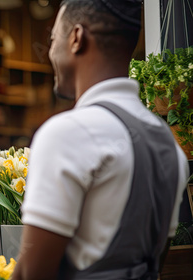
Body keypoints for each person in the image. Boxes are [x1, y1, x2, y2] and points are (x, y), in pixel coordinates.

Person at [12, 1, 189, 279]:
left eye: (53, 39)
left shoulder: (68, 134)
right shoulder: (169, 148)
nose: (49, 51)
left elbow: (31, 274)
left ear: (76, 38)